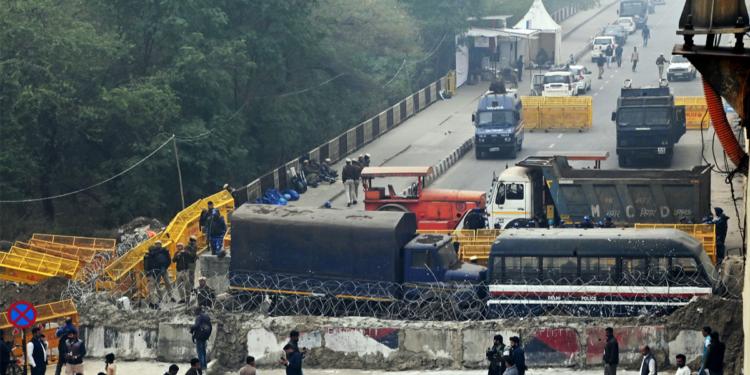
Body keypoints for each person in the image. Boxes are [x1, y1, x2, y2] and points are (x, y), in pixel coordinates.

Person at [144, 241, 174, 309]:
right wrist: (148, 276)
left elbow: (167, 260)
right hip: (152, 274)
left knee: (166, 283)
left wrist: (164, 267)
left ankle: (169, 296)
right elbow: (146, 267)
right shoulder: (148, 257)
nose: (154, 251)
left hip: (158, 272)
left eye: (158, 244)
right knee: (153, 287)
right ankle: (153, 303)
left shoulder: (160, 253)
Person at [191, 307, 212, 373]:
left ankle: (202, 367)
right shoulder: (206, 316)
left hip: (199, 336)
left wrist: (191, 326)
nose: (195, 313)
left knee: (200, 352)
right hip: (205, 336)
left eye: (195, 311)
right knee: (203, 351)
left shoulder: (199, 316)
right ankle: (205, 366)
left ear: (198, 311)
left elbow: (196, 325)